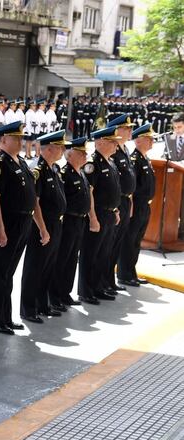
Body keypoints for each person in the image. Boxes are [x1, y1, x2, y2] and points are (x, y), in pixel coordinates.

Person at [0, 121, 36, 335]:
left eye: (21, 138)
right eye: (16, 138)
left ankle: (5, 315)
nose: (20, 141)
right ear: (3, 140)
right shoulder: (0, 163)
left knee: (9, 273)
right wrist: (1, 229)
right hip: (8, 222)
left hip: (23, 222)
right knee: (0, 273)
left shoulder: (20, 161)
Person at [19, 130, 68, 323]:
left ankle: (42, 304)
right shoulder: (38, 170)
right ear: (49, 148)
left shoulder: (54, 169)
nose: (63, 150)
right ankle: (28, 309)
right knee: (35, 267)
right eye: (60, 147)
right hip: (43, 226)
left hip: (56, 224)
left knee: (48, 266)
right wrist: (42, 228)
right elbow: (35, 203)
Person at [78, 126, 122, 304]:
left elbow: (114, 190)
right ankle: (86, 291)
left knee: (103, 253)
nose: (115, 146)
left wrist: (116, 210)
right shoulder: (93, 163)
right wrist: (93, 218)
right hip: (99, 215)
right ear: (100, 142)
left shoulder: (110, 162)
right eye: (112, 142)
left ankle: (98, 287)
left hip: (110, 214)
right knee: (91, 253)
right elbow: (90, 192)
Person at [49, 137, 91, 309]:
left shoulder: (80, 172)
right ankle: (55, 296)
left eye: (85, 153)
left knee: (72, 258)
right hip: (68, 220)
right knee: (62, 259)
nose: (85, 156)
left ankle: (65, 293)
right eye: (81, 153)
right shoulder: (65, 173)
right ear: (70, 155)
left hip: (80, 221)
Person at [117, 124, 156, 286]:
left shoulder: (145, 158)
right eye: (149, 139)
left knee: (137, 240)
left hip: (145, 206)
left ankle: (131, 272)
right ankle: (125, 274)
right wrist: (132, 206)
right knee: (130, 239)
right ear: (139, 141)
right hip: (137, 205)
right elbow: (131, 186)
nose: (152, 142)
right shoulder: (135, 160)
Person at [105, 114, 136, 294]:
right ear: (117, 130)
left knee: (117, 244)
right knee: (109, 244)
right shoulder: (113, 150)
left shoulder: (124, 149)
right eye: (127, 128)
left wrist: (130, 200)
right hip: (116, 202)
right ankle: (103, 281)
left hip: (125, 200)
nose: (131, 131)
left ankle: (110, 280)